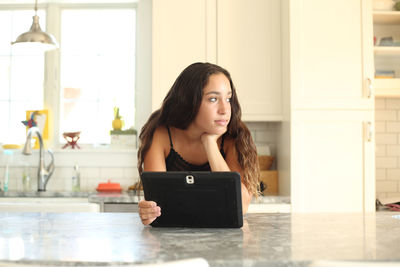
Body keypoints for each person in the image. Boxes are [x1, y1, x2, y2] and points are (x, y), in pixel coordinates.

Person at [137, 62, 260, 226]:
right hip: (173, 241)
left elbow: (241, 206)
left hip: (225, 240)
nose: (225, 109)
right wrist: (149, 210)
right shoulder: (161, 135)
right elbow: (158, 206)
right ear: (189, 101)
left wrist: (210, 143)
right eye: (213, 99)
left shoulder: (234, 137)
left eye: (228, 98)